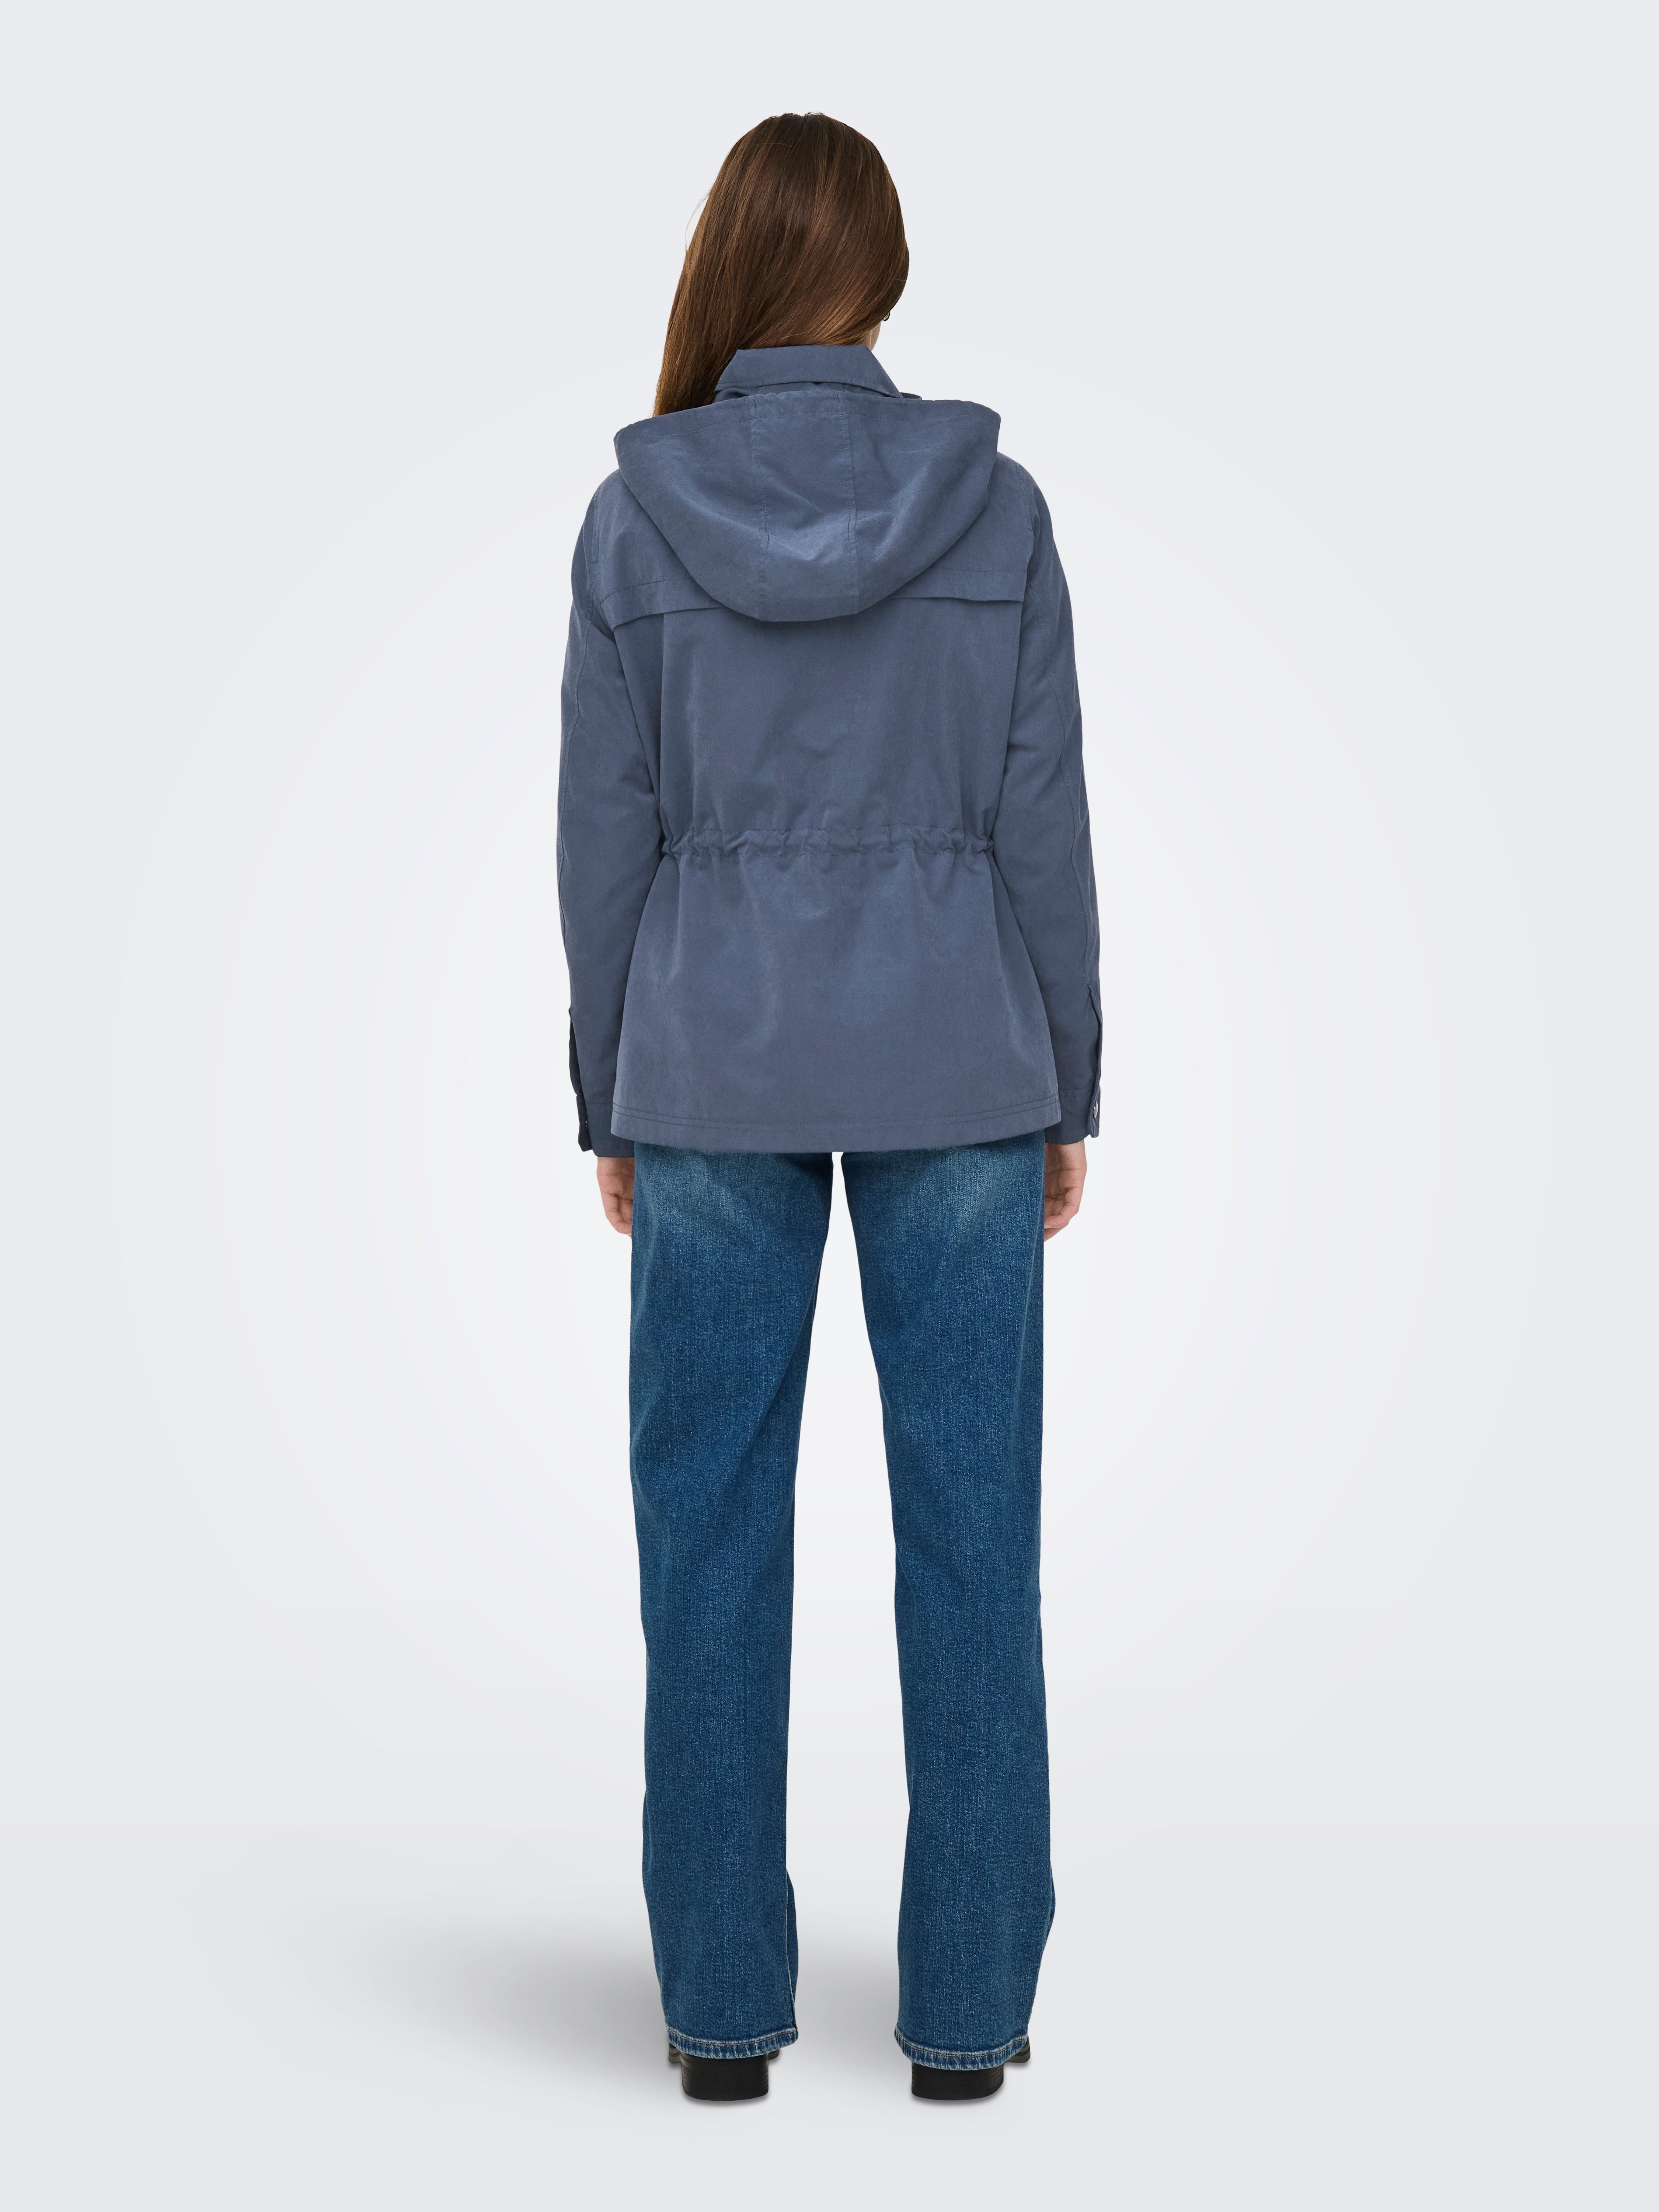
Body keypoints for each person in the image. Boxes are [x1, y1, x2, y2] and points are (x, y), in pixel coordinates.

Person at [557, 112, 1099, 2104]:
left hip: (709, 1056)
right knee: (975, 1534)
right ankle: (964, 2020)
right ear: (882, 274)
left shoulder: (635, 522)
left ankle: (720, 2019)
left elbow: (601, 842)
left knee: (705, 1540)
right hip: (962, 1050)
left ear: (732, 265)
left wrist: (608, 1088)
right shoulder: (997, 511)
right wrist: (1068, 1082)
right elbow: (1041, 825)